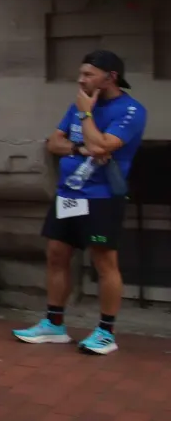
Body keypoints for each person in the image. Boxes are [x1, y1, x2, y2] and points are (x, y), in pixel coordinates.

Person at [14, 50, 146, 356]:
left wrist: (87, 115)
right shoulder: (79, 104)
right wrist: (81, 148)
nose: (80, 79)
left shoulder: (130, 110)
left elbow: (104, 144)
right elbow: (54, 142)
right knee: (57, 255)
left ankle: (105, 332)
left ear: (110, 77)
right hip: (68, 195)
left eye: (88, 74)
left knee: (104, 262)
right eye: (81, 73)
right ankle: (54, 324)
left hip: (101, 199)